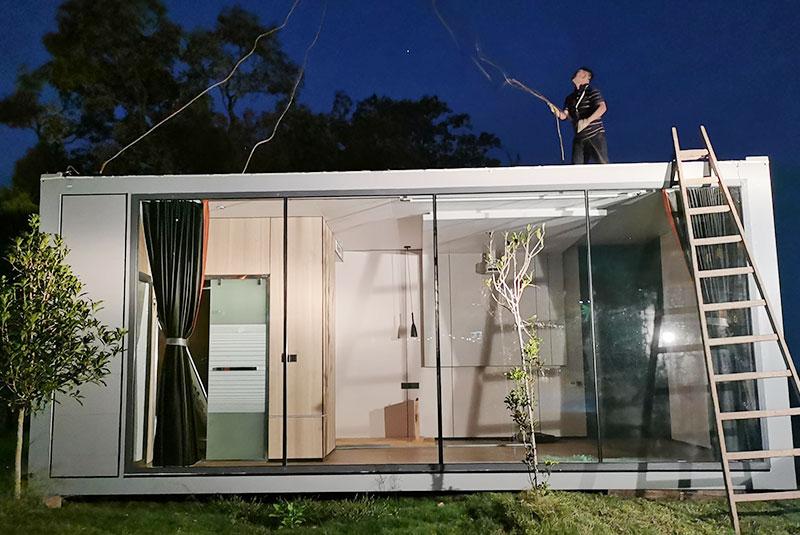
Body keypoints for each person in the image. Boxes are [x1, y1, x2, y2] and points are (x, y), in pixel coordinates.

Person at [549, 67, 608, 164]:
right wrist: (557, 112)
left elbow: (602, 108)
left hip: (595, 134)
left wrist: (587, 121)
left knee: (602, 164)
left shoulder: (592, 92)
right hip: (579, 137)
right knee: (576, 167)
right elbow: (564, 116)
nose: (574, 75)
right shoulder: (570, 98)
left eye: (578, 73)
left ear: (584, 77)